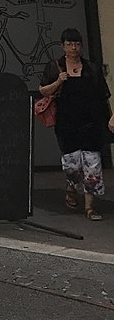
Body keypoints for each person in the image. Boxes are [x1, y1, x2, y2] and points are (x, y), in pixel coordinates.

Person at [39, 28, 114, 220]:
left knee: (92, 164)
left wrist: (110, 117)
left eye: (77, 44)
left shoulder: (91, 68)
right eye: (70, 44)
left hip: (91, 122)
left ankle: (90, 207)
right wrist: (58, 81)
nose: (74, 47)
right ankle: (71, 186)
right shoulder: (55, 67)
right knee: (72, 164)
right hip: (66, 122)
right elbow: (44, 91)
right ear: (63, 46)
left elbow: (103, 96)